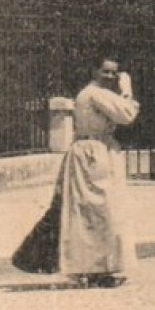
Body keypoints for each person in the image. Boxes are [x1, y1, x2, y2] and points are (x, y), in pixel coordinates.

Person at [62, 56, 140, 287]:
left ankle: (97, 269)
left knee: (94, 213)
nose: (110, 77)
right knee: (102, 211)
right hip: (94, 154)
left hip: (91, 151)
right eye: (105, 72)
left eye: (114, 73)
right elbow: (127, 115)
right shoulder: (97, 93)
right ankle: (96, 269)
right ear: (94, 71)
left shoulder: (93, 93)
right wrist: (127, 90)